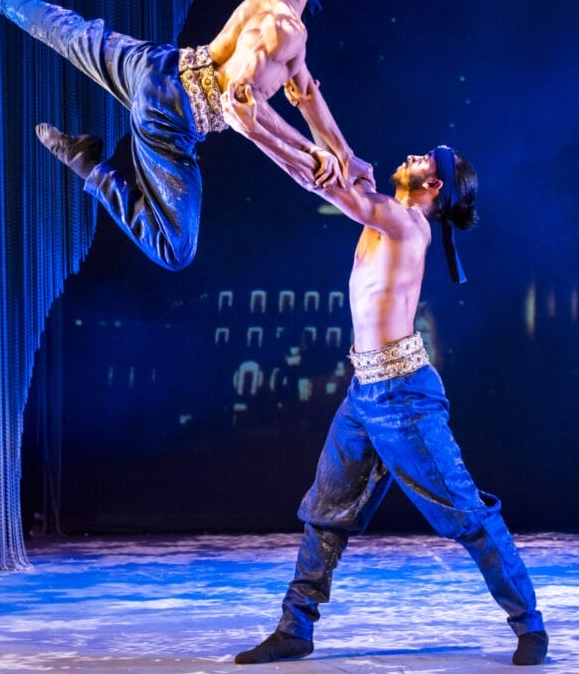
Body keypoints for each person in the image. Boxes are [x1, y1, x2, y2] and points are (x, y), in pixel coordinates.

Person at [223, 94, 548, 666]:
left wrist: (252, 126)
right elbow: (338, 155)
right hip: (364, 393)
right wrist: (306, 97)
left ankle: (530, 627)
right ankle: (295, 629)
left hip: (403, 396)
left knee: (465, 511)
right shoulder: (385, 206)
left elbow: (320, 177)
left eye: (427, 161)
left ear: (434, 187)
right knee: (325, 509)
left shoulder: (404, 222)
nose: (415, 156)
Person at [0, 0, 370, 271]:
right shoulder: (281, 26)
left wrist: (345, 155)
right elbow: (239, 108)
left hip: (158, 66)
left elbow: (306, 94)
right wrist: (308, 153)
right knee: (175, 249)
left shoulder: (278, 9)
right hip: (170, 116)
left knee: (73, 34)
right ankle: (89, 167)